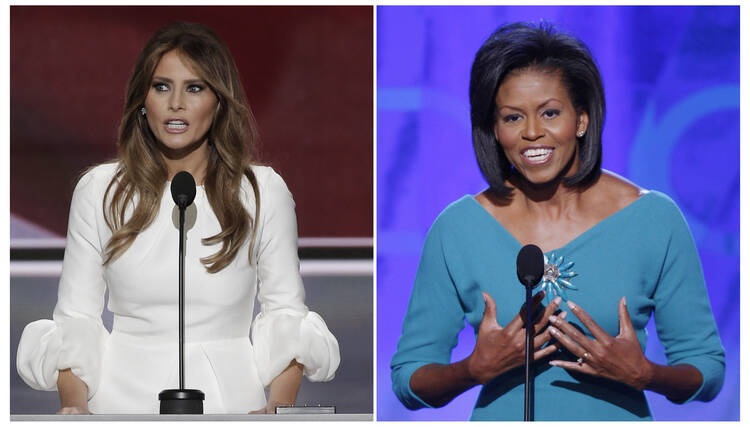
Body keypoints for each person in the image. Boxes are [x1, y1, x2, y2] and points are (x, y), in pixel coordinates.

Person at [390, 22, 724, 421]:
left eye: (550, 113)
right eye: (513, 118)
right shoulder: (458, 228)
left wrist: (644, 373)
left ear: (581, 119)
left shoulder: (654, 220)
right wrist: (472, 369)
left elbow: (706, 368)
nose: (532, 132)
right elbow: (409, 378)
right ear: (494, 130)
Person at [16, 21, 340, 415]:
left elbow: (285, 314)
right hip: (120, 403)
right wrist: (75, 410)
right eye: (162, 86)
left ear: (219, 102)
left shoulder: (261, 191)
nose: (176, 104)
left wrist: (277, 410)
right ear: (142, 100)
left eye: (195, 88)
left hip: (232, 404)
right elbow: (76, 320)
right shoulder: (100, 190)